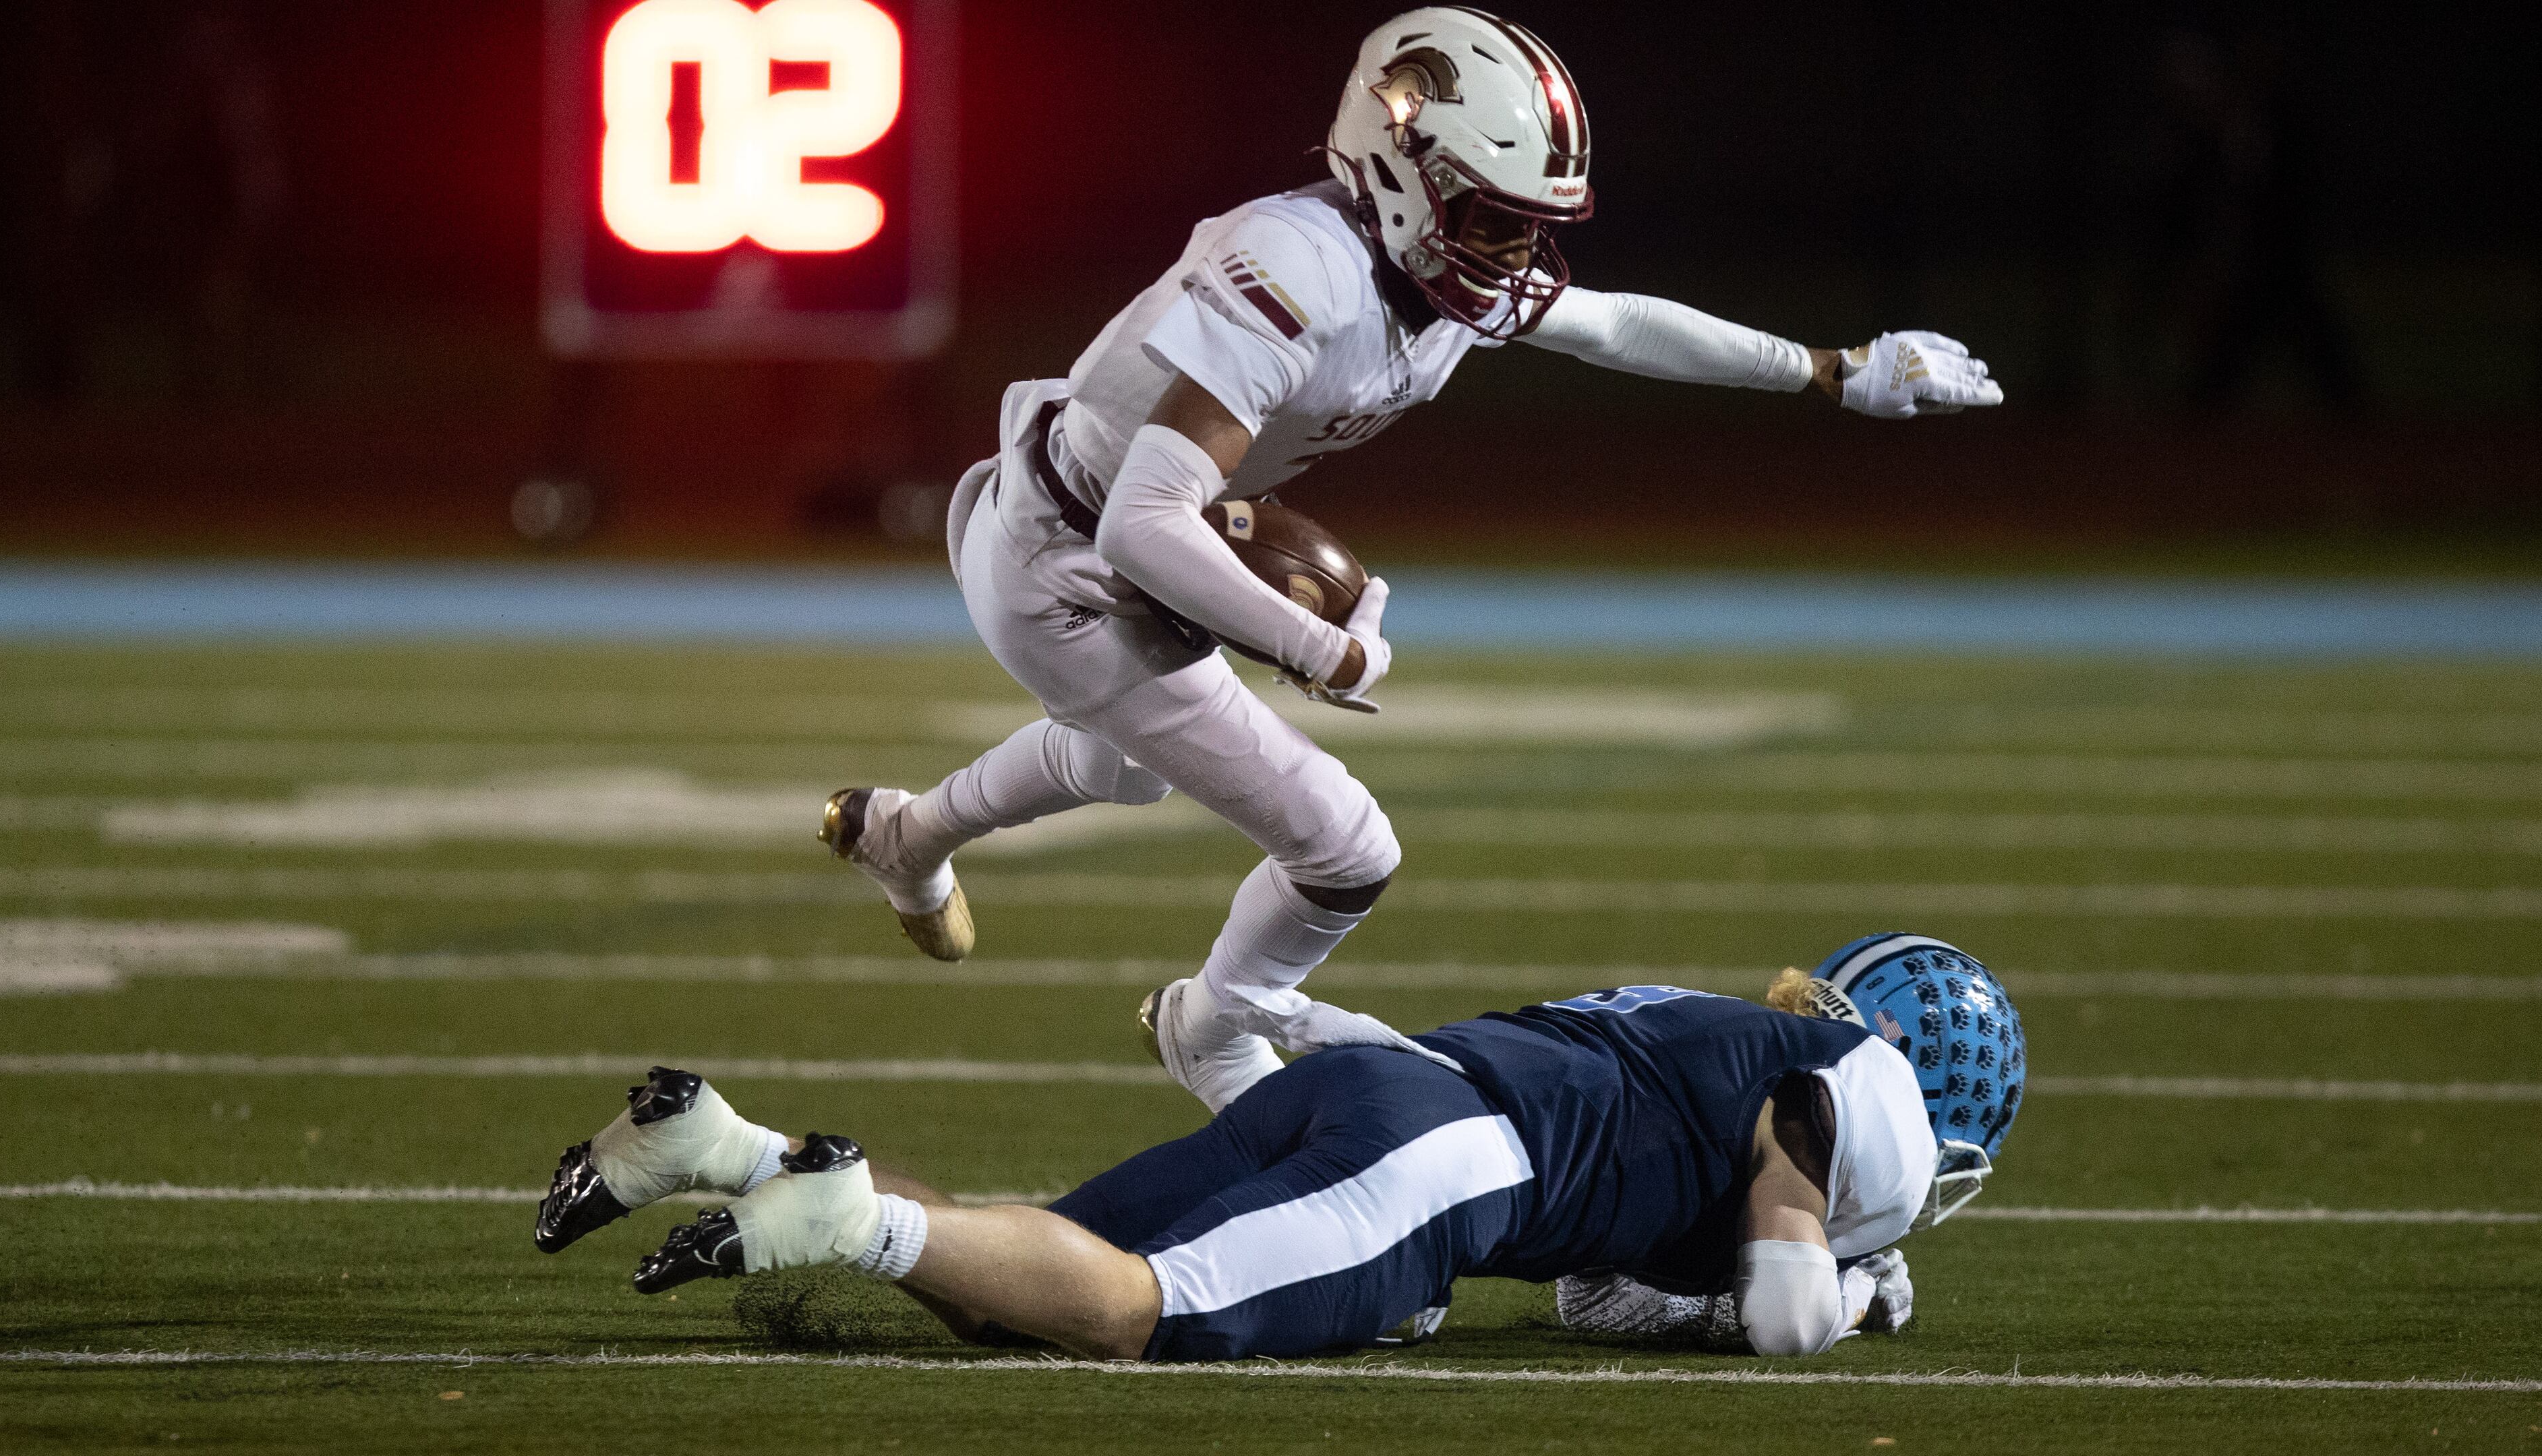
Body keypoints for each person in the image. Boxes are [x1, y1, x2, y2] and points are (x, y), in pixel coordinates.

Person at [808, 8, 2005, 1112]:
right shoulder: (1294, 269)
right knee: (1344, 849)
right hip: (1063, 562)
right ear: (1397, 165)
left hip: (1119, 525)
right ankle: (1215, 1033)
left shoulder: (1430, 270)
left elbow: (1618, 324)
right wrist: (1322, 646)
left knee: (1128, 768)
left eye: (1530, 222)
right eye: (1492, 216)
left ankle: (905, 839)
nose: (1514, 251)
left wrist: (1831, 369)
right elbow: (1140, 523)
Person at [533, 934, 2025, 1361]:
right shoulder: (1855, 1100)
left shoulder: (1721, 1027)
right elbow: (1776, 1316)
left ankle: (727, 1148)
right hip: (1446, 1163)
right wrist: (1844, 1286)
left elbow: (1595, 1295)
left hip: (1393, 1087)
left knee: (1022, 1277)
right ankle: (847, 1218)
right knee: (1129, 1311)